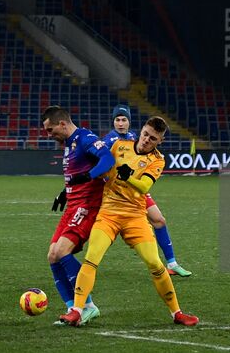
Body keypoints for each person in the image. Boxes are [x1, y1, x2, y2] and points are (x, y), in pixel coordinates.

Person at [58, 117, 198, 328]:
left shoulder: (158, 160)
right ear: (140, 131)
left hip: (135, 216)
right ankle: (77, 310)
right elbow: (98, 160)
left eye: (153, 139)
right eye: (145, 135)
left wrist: (129, 176)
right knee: (91, 259)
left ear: (160, 141)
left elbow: (143, 187)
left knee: (155, 263)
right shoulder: (117, 144)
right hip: (108, 213)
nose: (146, 141)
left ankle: (177, 313)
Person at [106, 104, 192, 276]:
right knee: (102, 230)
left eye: (124, 120)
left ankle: (172, 264)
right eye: (117, 120)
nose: (120, 123)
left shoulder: (133, 137)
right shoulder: (110, 141)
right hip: (117, 194)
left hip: (137, 190)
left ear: (130, 122)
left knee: (159, 221)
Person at [42, 106, 104, 324]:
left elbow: (107, 160)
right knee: (52, 255)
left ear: (62, 124)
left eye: (50, 130)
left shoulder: (86, 138)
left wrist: (88, 175)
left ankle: (86, 306)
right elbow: (75, 176)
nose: (50, 135)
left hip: (87, 207)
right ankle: (71, 309)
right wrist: (64, 193)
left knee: (62, 250)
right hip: (72, 206)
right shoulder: (68, 144)